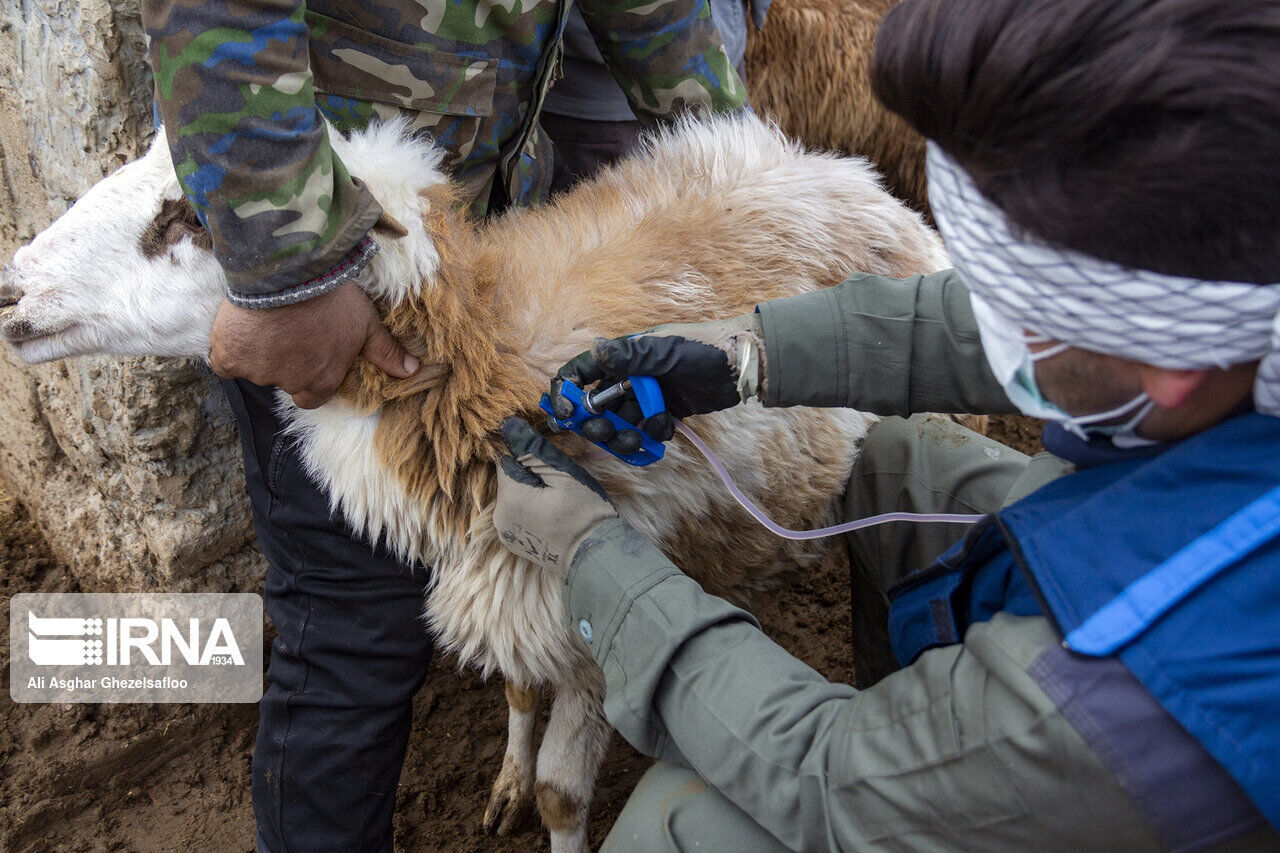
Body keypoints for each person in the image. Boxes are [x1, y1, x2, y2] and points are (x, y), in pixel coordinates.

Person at [490, 0, 1280, 848]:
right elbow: (990, 325)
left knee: (674, 823)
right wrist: (748, 352)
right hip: (1151, 529)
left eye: (1016, 302)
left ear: (1168, 363)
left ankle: (937, 768)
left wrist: (596, 564)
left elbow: (825, 774)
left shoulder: (1110, 693)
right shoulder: (1227, 304)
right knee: (891, 459)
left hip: (1097, 712)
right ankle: (919, 703)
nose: (986, 312)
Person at [138, 0, 745, 849]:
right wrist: (293, 272)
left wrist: (737, 166)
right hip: (334, 262)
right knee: (351, 622)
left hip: (473, 239)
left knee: (501, 552)